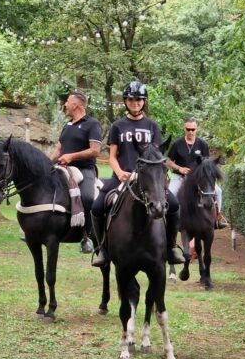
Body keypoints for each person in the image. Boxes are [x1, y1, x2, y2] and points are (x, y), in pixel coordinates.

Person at [91, 81, 185, 267]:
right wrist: (119, 173)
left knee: (173, 205)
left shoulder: (152, 126)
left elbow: (158, 156)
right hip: (122, 176)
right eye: (132, 99)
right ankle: (102, 249)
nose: (136, 103)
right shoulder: (118, 126)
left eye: (139, 100)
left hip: (149, 179)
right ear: (125, 101)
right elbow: (111, 157)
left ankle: (171, 247)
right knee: (97, 206)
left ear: (144, 102)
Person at [48, 89, 102, 254]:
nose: (65, 104)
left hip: (84, 169)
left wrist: (72, 156)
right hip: (62, 169)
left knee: (87, 197)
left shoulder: (92, 124)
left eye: (67, 102)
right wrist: (46, 165)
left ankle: (87, 237)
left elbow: (95, 150)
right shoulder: (67, 125)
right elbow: (58, 150)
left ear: (76, 105)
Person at [166, 118, 228, 228]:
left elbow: (207, 163)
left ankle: (217, 218)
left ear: (196, 129)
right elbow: (168, 161)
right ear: (184, 129)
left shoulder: (202, 144)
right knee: (169, 194)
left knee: (218, 191)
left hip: (198, 179)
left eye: (193, 129)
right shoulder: (177, 144)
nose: (190, 132)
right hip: (179, 176)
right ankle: (168, 221)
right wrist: (179, 168)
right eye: (188, 129)